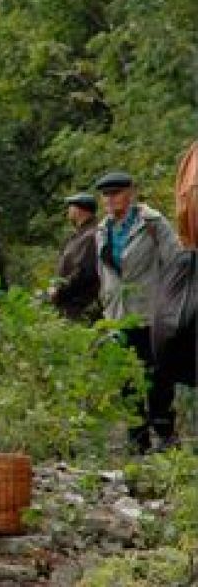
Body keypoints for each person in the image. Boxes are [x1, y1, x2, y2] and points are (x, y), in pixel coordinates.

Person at [93, 170, 182, 453]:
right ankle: (137, 440)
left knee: (158, 378)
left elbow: (177, 263)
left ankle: (165, 434)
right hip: (118, 317)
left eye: (116, 193)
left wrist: (171, 304)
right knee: (126, 380)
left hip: (151, 314)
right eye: (106, 195)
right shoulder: (102, 230)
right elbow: (103, 273)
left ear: (131, 193)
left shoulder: (153, 224)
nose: (110, 200)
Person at [48, 193, 100, 322]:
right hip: (70, 302)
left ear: (80, 210)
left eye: (71, 206)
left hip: (80, 304)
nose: (68, 210)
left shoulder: (90, 236)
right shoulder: (79, 234)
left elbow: (85, 272)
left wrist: (59, 291)